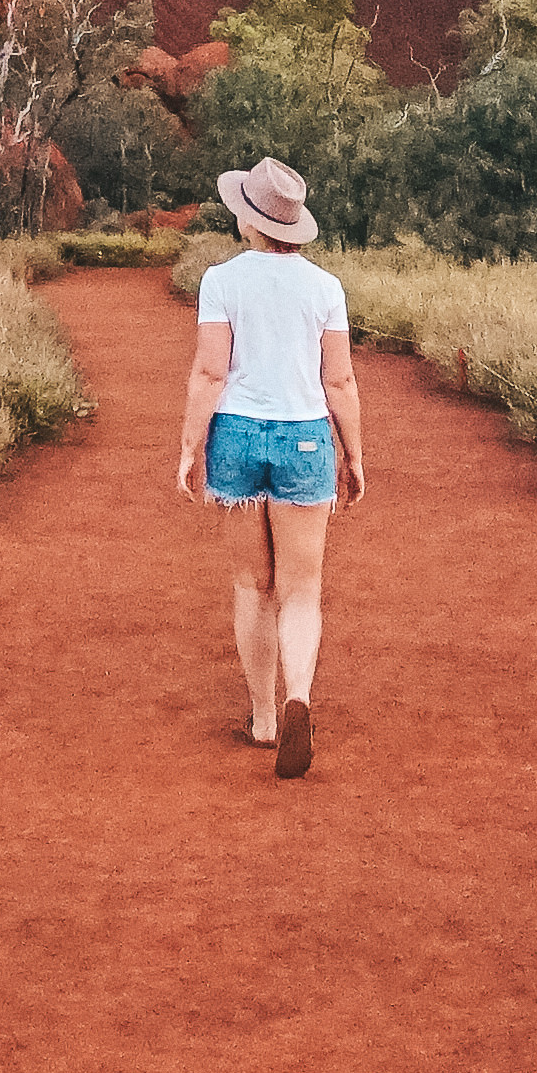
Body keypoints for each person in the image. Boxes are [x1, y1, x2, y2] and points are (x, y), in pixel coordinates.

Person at [178, 155, 369, 777]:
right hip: (306, 439)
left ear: (249, 219)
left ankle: (263, 718)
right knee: (301, 590)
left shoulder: (221, 280)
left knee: (251, 586)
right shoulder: (325, 289)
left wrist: (189, 447)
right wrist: (354, 454)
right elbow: (338, 380)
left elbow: (210, 371)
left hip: (235, 435)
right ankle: (298, 698)